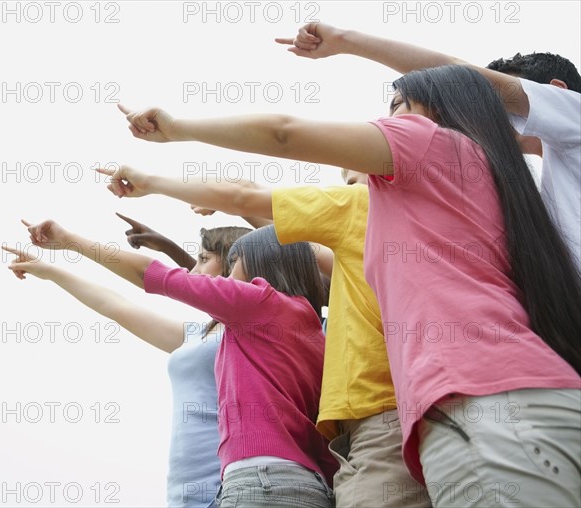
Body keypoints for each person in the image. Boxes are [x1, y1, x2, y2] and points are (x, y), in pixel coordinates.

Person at [113, 62, 580, 507]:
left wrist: (175, 134)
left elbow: (278, 146)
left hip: (472, 406)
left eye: (396, 105)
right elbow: (279, 231)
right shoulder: (494, 186)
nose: (384, 119)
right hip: (528, 395)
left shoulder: (402, 167)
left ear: (432, 110)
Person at [97, 165, 430, 507]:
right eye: (346, 180)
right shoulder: (307, 322)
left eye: (222, 260)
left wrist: (76, 242)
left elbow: (278, 251)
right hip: (319, 468)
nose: (354, 185)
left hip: (270, 475)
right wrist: (177, 239)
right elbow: (282, 254)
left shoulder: (273, 307)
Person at [6, 221, 337, 508]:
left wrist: (70, 241)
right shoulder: (310, 331)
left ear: (262, 267)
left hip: (260, 480)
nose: (227, 276)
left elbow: (154, 276)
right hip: (306, 483)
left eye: (233, 264)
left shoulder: (259, 302)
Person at [275, 22, 581, 270]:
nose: (491, 115)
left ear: (555, 92)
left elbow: (456, 74)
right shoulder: (544, 186)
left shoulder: (575, 113)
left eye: (502, 102)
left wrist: (345, 40)